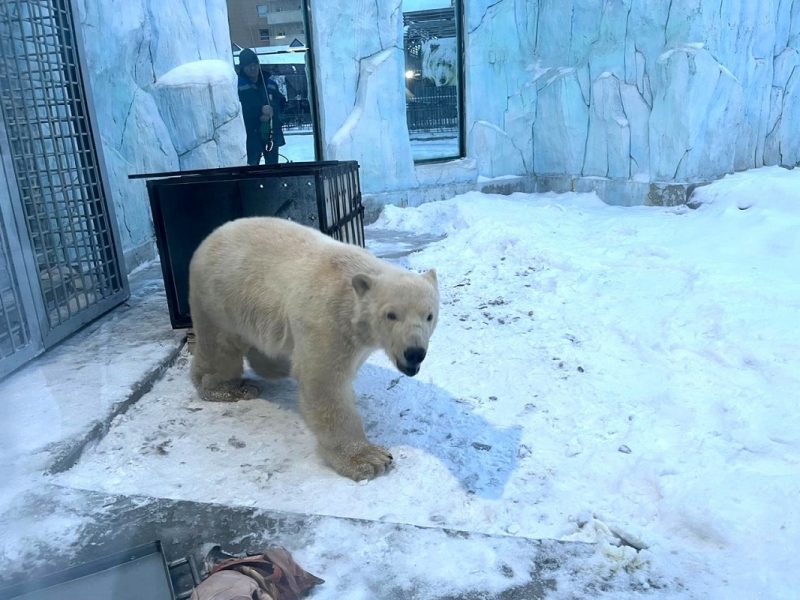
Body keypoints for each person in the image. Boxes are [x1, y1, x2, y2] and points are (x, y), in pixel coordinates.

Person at [237, 48, 286, 165]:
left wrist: (272, 111)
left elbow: (281, 102)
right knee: (251, 168)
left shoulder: (270, 84)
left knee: (273, 168)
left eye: (255, 64)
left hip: (271, 132)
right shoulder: (238, 86)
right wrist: (260, 110)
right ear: (243, 67)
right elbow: (239, 108)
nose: (253, 68)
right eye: (249, 65)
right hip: (251, 135)